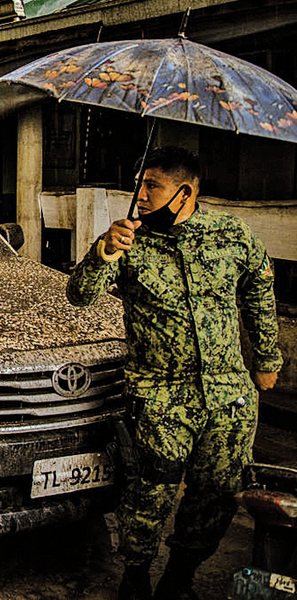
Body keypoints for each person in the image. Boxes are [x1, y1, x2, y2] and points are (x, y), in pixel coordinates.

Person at [66, 147, 282, 600]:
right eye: (140, 185)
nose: (140, 195)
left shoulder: (230, 234)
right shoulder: (129, 241)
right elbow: (80, 294)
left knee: (216, 495)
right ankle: (136, 574)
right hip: (160, 395)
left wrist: (266, 359)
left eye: (152, 186)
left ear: (184, 192)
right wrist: (105, 249)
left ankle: (180, 576)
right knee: (148, 495)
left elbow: (259, 290)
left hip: (228, 397)